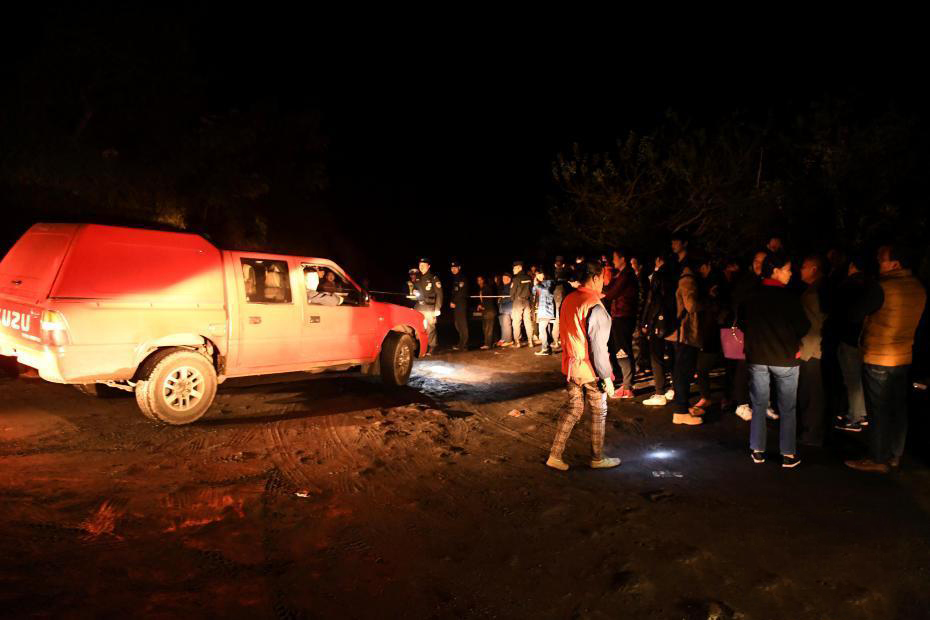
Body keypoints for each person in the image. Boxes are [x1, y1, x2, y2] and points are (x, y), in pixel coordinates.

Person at [846, 244, 927, 473]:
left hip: (879, 356)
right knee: (898, 409)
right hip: (904, 356)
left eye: (882, 260)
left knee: (879, 410)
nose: (878, 263)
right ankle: (894, 454)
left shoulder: (883, 287)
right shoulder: (918, 287)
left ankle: (877, 458)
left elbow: (854, 313)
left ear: (895, 264)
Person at [546, 261, 621, 471]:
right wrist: (606, 376)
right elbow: (598, 346)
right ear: (596, 278)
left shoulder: (569, 299)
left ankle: (555, 455)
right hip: (590, 369)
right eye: (603, 277)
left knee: (573, 409)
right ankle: (597, 458)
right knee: (599, 411)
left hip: (570, 365)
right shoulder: (594, 304)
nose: (605, 282)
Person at [738, 251, 810, 468]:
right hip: (785, 358)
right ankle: (788, 453)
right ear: (776, 271)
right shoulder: (790, 298)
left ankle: (757, 449)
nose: (791, 273)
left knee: (759, 404)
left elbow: (742, 322)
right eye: (787, 269)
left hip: (758, 357)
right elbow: (803, 326)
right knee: (787, 407)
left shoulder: (750, 296)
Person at [833, 254, 873, 432]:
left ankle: (854, 418)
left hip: (848, 338)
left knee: (852, 379)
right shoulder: (870, 286)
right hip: (862, 338)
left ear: (852, 267)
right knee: (857, 378)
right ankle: (861, 413)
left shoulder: (847, 286)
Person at [729, 250, 768, 421]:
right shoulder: (746, 282)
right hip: (743, 330)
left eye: (762, 261)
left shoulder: (767, 282)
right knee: (742, 367)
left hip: (762, 331)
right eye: (756, 261)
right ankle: (741, 403)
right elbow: (738, 305)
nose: (758, 265)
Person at [666, 257, 704, 425]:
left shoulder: (679, 278)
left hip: (677, 333)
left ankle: (683, 407)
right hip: (685, 333)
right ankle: (680, 411)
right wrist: (706, 301)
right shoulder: (688, 280)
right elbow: (691, 305)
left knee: (680, 372)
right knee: (683, 373)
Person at [797, 254, 828, 447]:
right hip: (820, 349)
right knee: (816, 393)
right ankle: (814, 431)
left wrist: (805, 352)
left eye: (804, 266)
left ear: (814, 269)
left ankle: (812, 433)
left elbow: (813, 326)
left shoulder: (812, 294)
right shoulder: (825, 288)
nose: (800, 270)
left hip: (812, 351)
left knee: (812, 394)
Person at [640, 255, 677, 406]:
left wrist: (645, 322)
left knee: (656, 356)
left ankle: (660, 392)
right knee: (673, 355)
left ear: (659, 261)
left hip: (658, 321)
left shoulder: (658, 276)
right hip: (673, 320)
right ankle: (674, 388)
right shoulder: (676, 273)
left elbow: (651, 300)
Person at [602, 249, 638, 398]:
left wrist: (598, 292)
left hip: (623, 315)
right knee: (623, 349)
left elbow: (611, 293)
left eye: (615, 258)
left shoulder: (626, 275)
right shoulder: (623, 275)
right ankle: (627, 383)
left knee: (622, 350)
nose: (613, 261)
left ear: (623, 259)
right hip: (622, 315)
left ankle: (627, 387)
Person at [414, 257, 443, 355]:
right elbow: (414, 290)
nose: (421, 267)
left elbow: (439, 294)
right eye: (420, 265)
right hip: (419, 307)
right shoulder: (417, 278)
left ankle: (432, 346)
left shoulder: (433, 278)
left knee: (430, 328)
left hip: (429, 307)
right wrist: (414, 291)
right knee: (418, 327)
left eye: (423, 265)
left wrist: (437, 308)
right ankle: (421, 346)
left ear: (429, 266)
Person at [510, 261, 535, 347]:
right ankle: (530, 341)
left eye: (514, 268)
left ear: (519, 268)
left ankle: (517, 342)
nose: (513, 270)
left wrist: (513, 299)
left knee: (516, 322)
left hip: (518, 301)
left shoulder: (516, 278)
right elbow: (532, 290)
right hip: (527, 301)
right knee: (528, 321)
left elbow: (512, 292)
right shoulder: (529, 277)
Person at [533, 268, 557, 355]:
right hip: (542, 309)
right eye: (537, 275)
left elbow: (547, 291)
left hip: (546, 309)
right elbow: (533, 292)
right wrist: (535, 285)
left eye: (540, 274)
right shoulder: (540, 284)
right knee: (545, 330)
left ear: (544, 274)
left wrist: (537, 285)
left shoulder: (549, 282)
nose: (538, 276)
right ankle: (547, 348)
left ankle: (545, 348)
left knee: (542, 329)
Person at [450, 260, 469, 351]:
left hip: (461, 304)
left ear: (459, 268)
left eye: (455, 267)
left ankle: (464, 345)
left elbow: (461, 292)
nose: (453, 269)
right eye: (452, 268)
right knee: (457, 324)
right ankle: (461, 343)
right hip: (457, 304)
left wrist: (453, 301)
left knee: (462, 324)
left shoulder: (462, 278)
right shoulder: (455, 278)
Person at [476, 274, 497, 350]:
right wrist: (480, 305)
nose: (479, 281)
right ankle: (493, 342)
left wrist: (483, 306)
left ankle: (488, 344)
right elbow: (482, 300)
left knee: (488, 328)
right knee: (485, 328)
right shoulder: (481, 289)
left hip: (489, 311)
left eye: (480, 280)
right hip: (485, 311)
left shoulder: (487, 288)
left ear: (483, 280)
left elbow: (489, 299)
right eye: (478, 280)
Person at [497, 273, 514, 347]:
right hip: (503, 308)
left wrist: (501, 299)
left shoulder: (510, 286)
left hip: (507, 308)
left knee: (506, 324)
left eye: (505, 278)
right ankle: (503, 338)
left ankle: (509, 340)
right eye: (503, 278)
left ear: (509, 279)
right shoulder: (504, 287)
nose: (503, 280)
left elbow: (510, 297)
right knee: (503, 324)